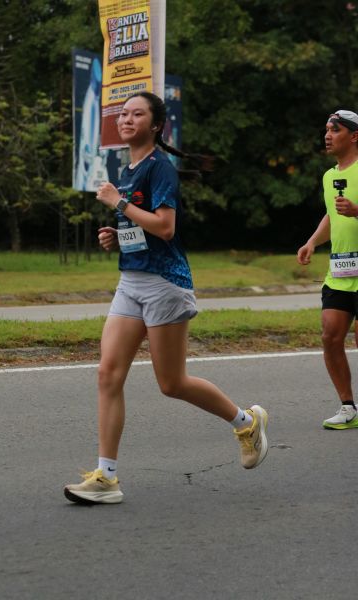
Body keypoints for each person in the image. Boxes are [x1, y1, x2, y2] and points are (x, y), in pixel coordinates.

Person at [64, 92, 269, 504]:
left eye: (137, 114)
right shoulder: (127, 168)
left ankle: (246, 422)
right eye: (123, 113)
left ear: (156, 125)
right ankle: (106, 478)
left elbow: (165, 227)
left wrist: (118, 202)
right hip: (131, 281)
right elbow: (141, 229)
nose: (126, 119)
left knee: (172, 383)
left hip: (165, 284)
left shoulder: (160, 168)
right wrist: (117, 236)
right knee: (107, 374)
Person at [297, 109, 358, 430]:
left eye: (335, 130)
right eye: (326, 130)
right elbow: (332, 216)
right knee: (330, 336)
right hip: (341, 271)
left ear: (354, 136)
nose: (327, 135)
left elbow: (350, 212)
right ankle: (348, 407)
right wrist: (312, 242)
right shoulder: (329, 176)